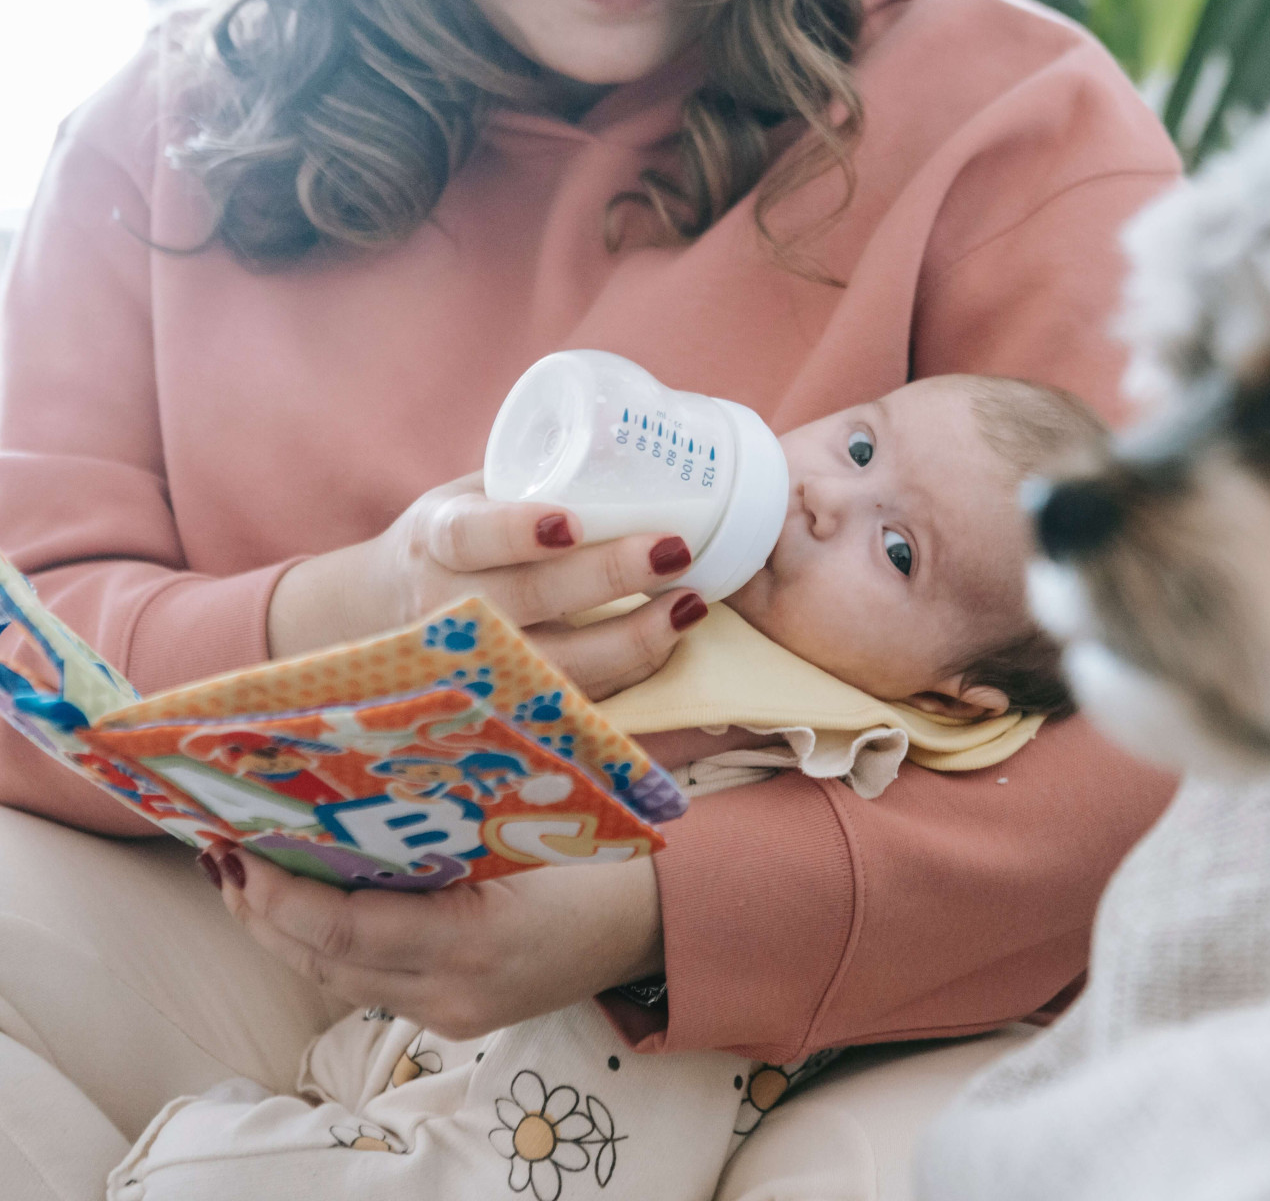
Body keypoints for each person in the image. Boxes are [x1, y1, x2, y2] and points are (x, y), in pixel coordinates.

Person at [0, 0, 1180, 1172]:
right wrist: (353, 612)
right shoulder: (158, 142)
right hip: (230, 908)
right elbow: (31, 631)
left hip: (766, 1022)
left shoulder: (1013, 120)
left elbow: (1192, 723)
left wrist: (657, 909)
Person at [108, 374, 1106, 1201]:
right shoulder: (672, 574)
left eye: (897, 551)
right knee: (349, 1089)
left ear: (959, 697)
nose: (824, 500)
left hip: (612, 1090)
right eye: (857, 447)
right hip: (414, 1015)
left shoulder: (874, 735)